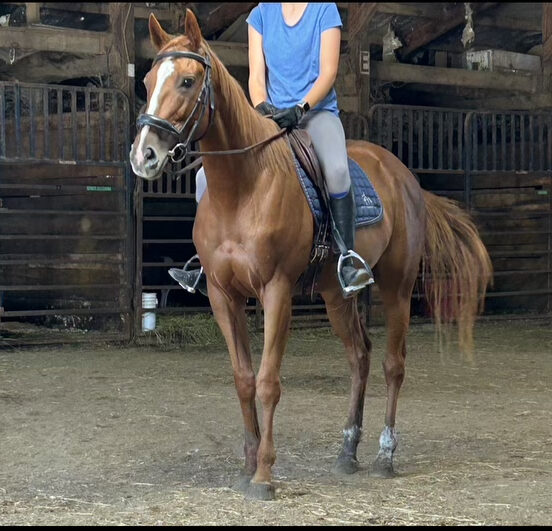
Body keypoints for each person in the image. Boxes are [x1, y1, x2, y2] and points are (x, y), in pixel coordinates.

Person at [169, 2, 374, 296]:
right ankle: (205, 262)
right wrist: (262, 108)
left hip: (316, 113)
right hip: (272, 117)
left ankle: (347, 258)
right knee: (203, 178)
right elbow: (256, 76)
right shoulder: (261, 15)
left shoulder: (324, 10)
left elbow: (328, 73)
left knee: (338, 170)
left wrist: (300, 108)